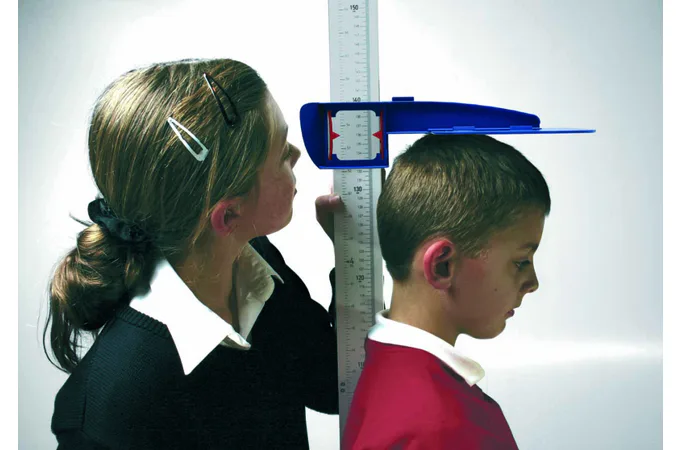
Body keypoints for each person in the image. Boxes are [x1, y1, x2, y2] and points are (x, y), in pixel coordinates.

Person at [44, 58, 342, 449]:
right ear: (228, 215)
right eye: (279, 151)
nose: (296, 153)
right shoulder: (108, 414)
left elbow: (332, 383)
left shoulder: (256, 268)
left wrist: (353, 250)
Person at [342, 134, 549, 449]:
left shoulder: (385, 368)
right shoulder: (441, 426)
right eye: (520, 262)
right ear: (442, 266)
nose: (533, 282)